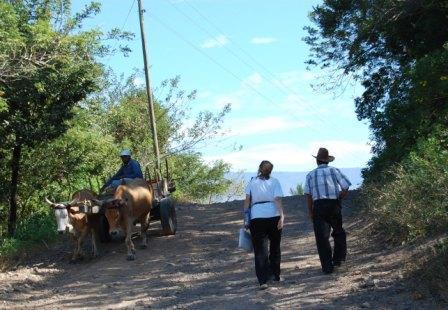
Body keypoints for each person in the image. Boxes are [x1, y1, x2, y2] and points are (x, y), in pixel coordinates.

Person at [304, 147, 351, 274]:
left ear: (317, 161)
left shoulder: (310, 175)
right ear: (327, 161)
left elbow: (308, 195)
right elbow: (346, 186)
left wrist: (310, 211)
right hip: (333, 204)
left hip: (318, 206)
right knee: (338, 232)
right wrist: (340, 197)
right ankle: (338, 259)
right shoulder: (334, 171)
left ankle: (327, 267)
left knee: (322, 237)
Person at [243, 160, 284, 290]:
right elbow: (277, 199)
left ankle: (262, 280)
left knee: (260, 250)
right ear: (271, 171)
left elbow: (247, 201)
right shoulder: (275, 181)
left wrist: (246, 218)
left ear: (259, 169)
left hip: (257, 217)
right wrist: (282, 216)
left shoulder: (251, 182)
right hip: (273, 215)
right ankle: (276, 275)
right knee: (275, 247)